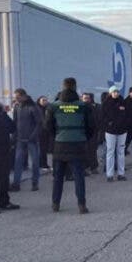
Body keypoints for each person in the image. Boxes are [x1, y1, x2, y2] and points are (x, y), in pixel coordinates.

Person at [45, 78, 93, 214]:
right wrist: (83, 137)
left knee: (58, 177)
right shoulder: (83, 106)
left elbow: (48, 126)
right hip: (77, 144)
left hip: (60, 145)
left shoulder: (53, 106)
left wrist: (57, 136)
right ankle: (81, 205)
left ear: (63, 87)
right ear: (75, 87)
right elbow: (91, 126)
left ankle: (55, 204)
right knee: (79, 176)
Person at [11, 88, 44, 192]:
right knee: (18, 162)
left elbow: (39, 123)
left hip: (32, 140)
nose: (16, 99)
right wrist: (14, 136)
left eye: (17, 97)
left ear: (23, 96)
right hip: (20, 139)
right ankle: (16, 184)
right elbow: (15, 122)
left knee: (34, 162)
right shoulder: (17, 107)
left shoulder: (33, 107)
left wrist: (33, 136)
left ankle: (35, 183)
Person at [102, 85, 129, 181]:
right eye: (114, 92)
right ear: (110, 93)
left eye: (117, 91)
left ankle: (121, 174)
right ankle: (110, 174)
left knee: (121, 152)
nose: (116, 93)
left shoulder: (123, 102)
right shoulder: (106, 103)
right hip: (110, 131)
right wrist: (109, 124)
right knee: (110, 152)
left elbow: (127, 115)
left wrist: (125, 125)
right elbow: (103, 117)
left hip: (122, 131)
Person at [81, 93, 104, 174]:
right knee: (84, 151)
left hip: (93, 133)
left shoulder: (94, 108)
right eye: (85, 98)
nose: (86, 100)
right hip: (82, 133)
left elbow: (98, 119)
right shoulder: (80, 108)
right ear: (82, 99)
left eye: (88, 98)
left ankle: (94, 167)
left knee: (93, 151)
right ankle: (85, 168)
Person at [36, 95, 52, 171]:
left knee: (44, 149)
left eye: (46, 100)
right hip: (40, 131)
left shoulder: (47, 108)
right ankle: (42, 164)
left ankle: (44, 164)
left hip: (46, 131)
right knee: (41, 149)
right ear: (39, 101)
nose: (45, 102)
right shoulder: (37, 109)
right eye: (43, 100)